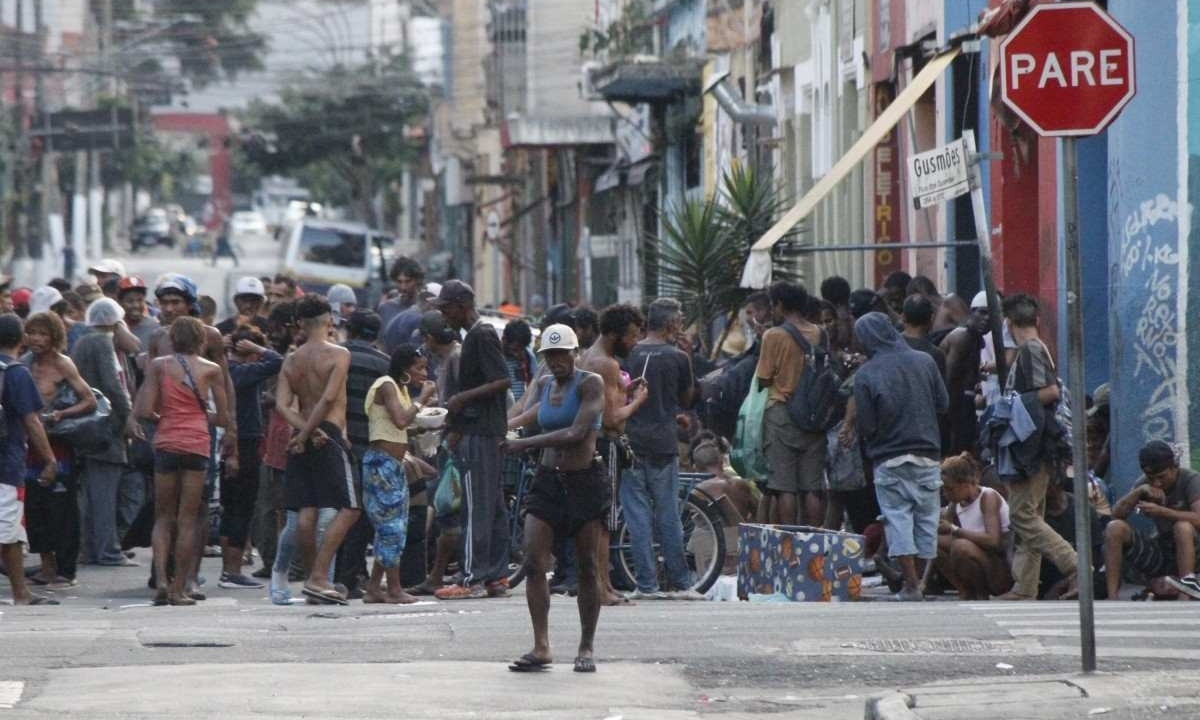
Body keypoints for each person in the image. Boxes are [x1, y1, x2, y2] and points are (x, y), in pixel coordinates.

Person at [502, 324, 607, 673]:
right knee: (533, 560)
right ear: (544, 358)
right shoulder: (546, 385)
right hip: (548, 481)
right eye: (551, 355)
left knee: (587, 564)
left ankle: (586, 646)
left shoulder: (591, 383)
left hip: (583, 482)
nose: (558, 361)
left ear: (575, 353)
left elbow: (577, 432)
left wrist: (524, 443)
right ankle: (541, 645)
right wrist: (502, 430)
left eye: (564, 354)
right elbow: (530, 419)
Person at [853, 312, 948, 601]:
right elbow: (943, 404)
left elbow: (867, 426)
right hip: (927, 453)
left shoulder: (865, 374)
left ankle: (910, 583)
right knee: (925, 519)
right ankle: (917, 580)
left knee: (898, 519)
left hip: (889, 457)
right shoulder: (925, 361)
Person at [136, 317, 230, 605]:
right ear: (201, 340)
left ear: (173, 339)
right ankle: (180, 587)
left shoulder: (159, 366)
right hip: (197, 444)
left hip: (167, 442)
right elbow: (224, 417)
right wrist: (201, 418)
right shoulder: (212, 369)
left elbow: (145, 409)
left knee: (163, 517)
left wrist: (167, 417)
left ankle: (162, 580)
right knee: (187, 519)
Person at [274, 295, 359, 605]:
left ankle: (313, 580)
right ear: (330, 321)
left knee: (307, 510)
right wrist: (317, 430)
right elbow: (327, 399)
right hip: (329, 434)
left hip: (303, 434)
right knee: (350, 507)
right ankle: (320, 575)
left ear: (299, 324)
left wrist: (303, 434)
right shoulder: (339, 354)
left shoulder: (291, 360)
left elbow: (283, 405)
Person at [433, 280, 512, 600]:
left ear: (461, 305)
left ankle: (471, 577)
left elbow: (502, 379)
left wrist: (462, 398)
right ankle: (495, 574)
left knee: (475, 506)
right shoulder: (475, 336)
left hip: (482, 433)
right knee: (491, 506)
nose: (443, 316)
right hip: (481, 431)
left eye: (445, 308)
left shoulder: (481, 334)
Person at [997, 293, 1077, 601]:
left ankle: (1075, 565)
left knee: (1021, 516)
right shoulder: (1029, 350)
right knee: (1032, 515)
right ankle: (1025, 587)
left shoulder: (1030, 349)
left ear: (1009, 322)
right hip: (1034, 446)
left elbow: (1050, 392)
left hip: (1031, 446)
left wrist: (1008, 405)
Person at [621, 298, 701, 601]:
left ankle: (647, 584)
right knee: (668, 513)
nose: (682, 323)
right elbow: (687, 397)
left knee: (637, 515)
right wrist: (690, 359)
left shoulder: (630, 353)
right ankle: (681, 582)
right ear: (671, 324)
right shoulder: (678, 357)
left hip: (632, 440)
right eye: (680, 318)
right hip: (664, 443)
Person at [577, 304, 648, 605]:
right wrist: (638, 400)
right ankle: (602, 588)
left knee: (600, 519)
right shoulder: (606, 364)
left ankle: (603, 584)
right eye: (631, 336)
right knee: (606, 521)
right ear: (614, 334)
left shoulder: (586, 358)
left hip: (592, 445)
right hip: (607, 444)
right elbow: (611, 418)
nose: (634, 343)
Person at [21, 313, 94, 588]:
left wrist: (61, 414)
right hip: (29, 447)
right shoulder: (25, 364)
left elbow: (89, 400)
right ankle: (47, 566)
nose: (37, 339)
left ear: (54, 336)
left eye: (42, 333)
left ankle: (65, 570)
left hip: (58, 446)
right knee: (35, 507)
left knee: (61, 509)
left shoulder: (64, 365)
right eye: (32, 332)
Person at [361, 344, 437, 604]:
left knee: (394, 527)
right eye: (419, 368)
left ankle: (374, 587)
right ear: (404, 368)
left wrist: (426, 424)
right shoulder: (386, 385)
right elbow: (401, 420)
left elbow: (403, 428)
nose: (423, 373)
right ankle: (393, 589)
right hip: (382, 464)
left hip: (393, 463)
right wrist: (422, 400)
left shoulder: (400, 389)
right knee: (391, 528)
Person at [71, 299, 142, 567]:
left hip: (88, 428)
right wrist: (128, 416)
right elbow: (113, 385)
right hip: (106, 429)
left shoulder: (83, 341)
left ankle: (91, 549)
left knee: (92, 494)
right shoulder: (102, 342)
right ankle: (108, 551)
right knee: (105, 494)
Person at [755, 281, 827, 527]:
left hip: (782, 413)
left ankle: (789, 543)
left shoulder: (773, 335)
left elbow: (763, 378)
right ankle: (813, 542)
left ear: (781, 305)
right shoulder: (819, 333)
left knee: (785, 487)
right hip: (815, 414)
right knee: (812, 487)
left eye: (773, 304)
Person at [0, 315, 60, 604]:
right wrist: (49, 460)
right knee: (9, 532)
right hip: (7, 464)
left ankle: (20, 591)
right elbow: (32, 421)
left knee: (11, 530)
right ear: (21, 339)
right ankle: (20, 593)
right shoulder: (16, 373)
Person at [218, 325, 283, 589]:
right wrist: (258, 348)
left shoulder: (226, 371)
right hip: (242, 444)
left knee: (231, 507)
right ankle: (232, 571)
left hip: (234, 443)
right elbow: (277, 362)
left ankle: (228, 569)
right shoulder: (240, 372)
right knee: (241, 508)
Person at [335, 310, 391, 598]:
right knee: (364, 514)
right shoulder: (385, 364)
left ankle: (336, 574)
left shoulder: (337, 357)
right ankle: (352, 572)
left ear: (350, 330)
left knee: (339, 510)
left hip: (337, 444)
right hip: (371, 446)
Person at [1103, 441, 1200, 600]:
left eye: (1162, 477)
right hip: (1164, 554)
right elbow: (1116, 515)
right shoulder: (1145, 484)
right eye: (1151, 478)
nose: (1157, 483)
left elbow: (1198, 518)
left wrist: (1163, 512)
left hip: (1194, 552)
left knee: (1182, 527)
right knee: (1114, 528)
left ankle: (1186, 593)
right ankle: (1112, 597)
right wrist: (1138, 492)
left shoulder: (1191, 480)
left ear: (1174, 467)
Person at [936, 453, 1012, 600]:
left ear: (965, 484)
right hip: (980, 557)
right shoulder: (956, 503)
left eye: (950, 489)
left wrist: (954, 529)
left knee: (961, 546)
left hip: (1000, 567)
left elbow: (993, 541)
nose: (945, 494)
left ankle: (981, 592)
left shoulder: (987, 497)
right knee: (933, 543)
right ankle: (965, 590)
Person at [939, 292, 991, 456]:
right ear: (971, 312)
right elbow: (948, 379)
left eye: (990, 314)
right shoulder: (963, 337)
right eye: (982, 312)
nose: (986, 318)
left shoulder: (975, 338)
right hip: (954, 409)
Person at [377, 257, 425, 328]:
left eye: (408, 281)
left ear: (417, 280)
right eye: (399, 282)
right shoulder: (385, 308)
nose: (403, 287)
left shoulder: (425, 308)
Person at [118, 276, 160, 351]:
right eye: (130, 301)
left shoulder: (156, 328)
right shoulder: (114, 327)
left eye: (140, 300)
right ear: (120, 302)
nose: (136, 305)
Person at [502, 320, 535, 403]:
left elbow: (534, 385)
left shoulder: (528, 357)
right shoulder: (494, 356)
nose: (518, 354)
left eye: (522, 349)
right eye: (515, 350)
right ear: (504, 339)